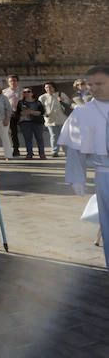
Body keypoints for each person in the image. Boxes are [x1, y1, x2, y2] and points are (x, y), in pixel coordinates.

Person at [62, 66, 109, 268]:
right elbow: (74, 148)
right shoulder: (82, 112)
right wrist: (77, 177)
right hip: (105, 174)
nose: (94, 88)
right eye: (90, 84)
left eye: (100, 83)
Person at [40, 82, 71, 157]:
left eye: (50, 87)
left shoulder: (61, 94)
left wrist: (62, 100)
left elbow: (69, 103)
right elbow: (40, 108)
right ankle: (55, 151)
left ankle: (66, 151)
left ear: (54, 87)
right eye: (46, 87)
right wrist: (45, 115)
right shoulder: (42, 97)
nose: (48, 89)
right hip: (50, 120)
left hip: (63, 119)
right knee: (53, 136)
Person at [16, 87, 46, 160]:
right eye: (24, 92)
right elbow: (18, 113)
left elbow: (42, 112)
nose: (26, 93)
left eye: (28, 91)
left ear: (32, 93)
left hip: (37, 122)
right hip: (25, 122)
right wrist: (23, 113)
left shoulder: (37, 102)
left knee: (39, 138)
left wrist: (32, 112)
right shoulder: (20, 102)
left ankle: (42, 154)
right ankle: (29, 153)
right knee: (27, 139)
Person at [3, 75, 24, 157]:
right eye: (11, 81)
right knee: (13, 133)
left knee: (26, 132)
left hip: (22, 113)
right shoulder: (4, 92)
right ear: (8, 82)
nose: (13, 82)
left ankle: (29, 150)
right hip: (10, 114)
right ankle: (15, 149)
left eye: (14, 80)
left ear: (18, 82)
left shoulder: (22, 91)